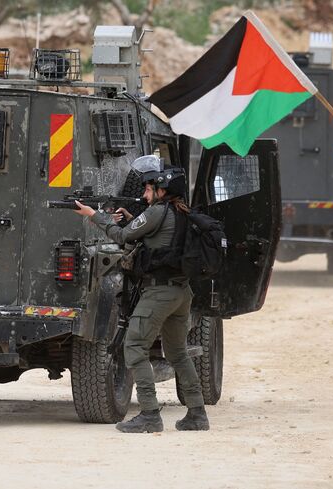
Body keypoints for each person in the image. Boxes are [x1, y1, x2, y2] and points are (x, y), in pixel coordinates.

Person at [73, 155, 208, 433]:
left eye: (148, 189)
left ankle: (149, 414)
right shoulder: (180, 211)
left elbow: (123, 238)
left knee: (134, 347)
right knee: (178, 353)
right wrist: (133, 219)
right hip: (181, 293)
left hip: (159, 293)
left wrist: (93, 215)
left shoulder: (158, 211)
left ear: (162, 190)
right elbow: (156, 237)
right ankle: (197, 413)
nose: (144, 193)